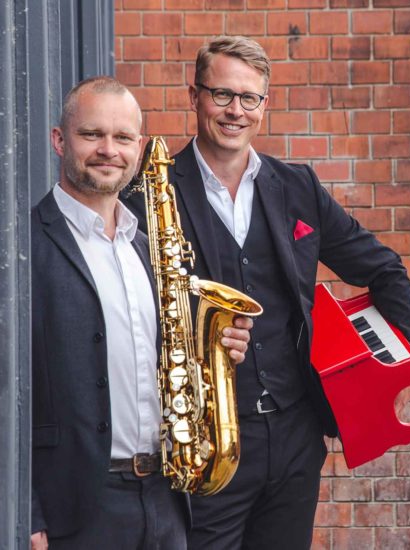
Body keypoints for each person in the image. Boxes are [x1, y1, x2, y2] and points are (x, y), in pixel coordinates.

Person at [123, 35, 410, 550]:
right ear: (194, 96)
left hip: (294, 438)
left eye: (249, 99)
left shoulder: (297, 187)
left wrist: (399, 364)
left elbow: (385, 269)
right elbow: (128, 315)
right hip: (205, 443)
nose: (235, 111)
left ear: (265, 104)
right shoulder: (150, 195)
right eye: (221, 95)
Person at [31, 76, 252, 550]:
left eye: (123, 137)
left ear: (141, 147)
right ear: (59, 140)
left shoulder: (144, 246)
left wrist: (215, 351)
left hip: (165, 498)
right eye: (92, 134)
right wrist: (27, 513)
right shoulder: (26, 246)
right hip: (74, 513)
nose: (108, 150)